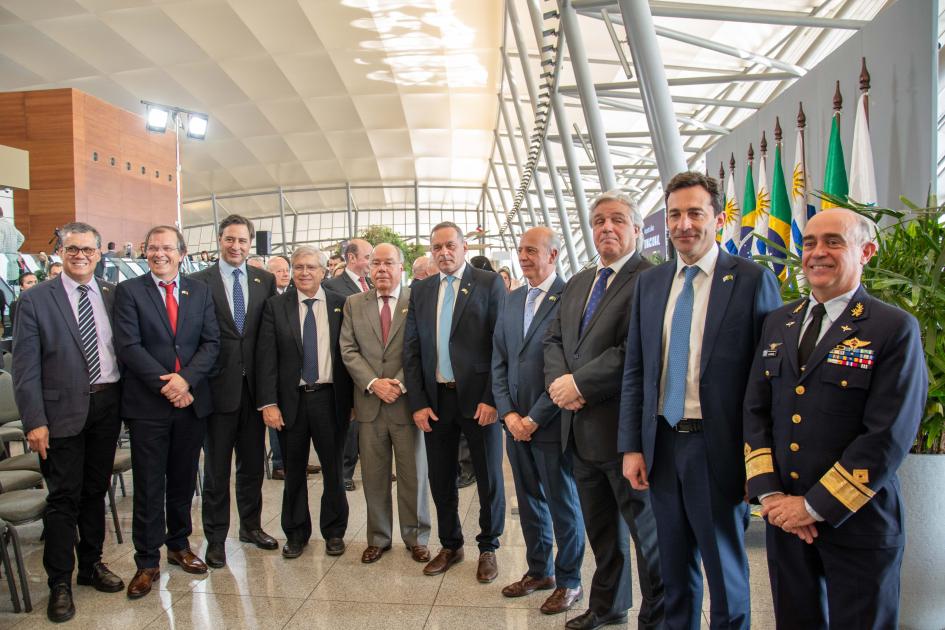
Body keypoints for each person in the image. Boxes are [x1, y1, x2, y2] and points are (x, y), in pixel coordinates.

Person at [744, 208, 927, 628]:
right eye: (809, 243)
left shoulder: (892, 327)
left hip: (857, 519)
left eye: (833, 242)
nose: (816, 253)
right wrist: (772, 497)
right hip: (785, 520)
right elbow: (755, 412)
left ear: (866, 251)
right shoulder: (778, 323)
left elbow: (888, 435)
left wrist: (813, 506)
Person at [619, 172, 781, 629]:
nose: (684, 224)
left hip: (719, 449)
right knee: (673, 571)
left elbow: (767, 380)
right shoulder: (651, 285)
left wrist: (759, 462)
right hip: (663, 446)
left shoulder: (750, 280)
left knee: (725, 572)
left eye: (695, 213)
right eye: (675, 214)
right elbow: (637, 370)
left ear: (716, 217)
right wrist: (633, 446)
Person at [544, 190, 663, 630]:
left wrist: (579, 384)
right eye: (598, 221)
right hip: (579, 433)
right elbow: (553, 340)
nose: (606, 228)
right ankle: (609, 605)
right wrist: (561, 387)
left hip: (624, 434)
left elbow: (634, 350)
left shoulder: (650, 279)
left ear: (635, 228)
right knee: (602, 532)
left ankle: (657, 617)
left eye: (617, 219)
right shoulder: (579, 282)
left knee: (647, 537)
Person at [12, 222, 124, 622]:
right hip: (58, 415)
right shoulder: (36, 300)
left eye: (87, 250)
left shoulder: (112, 295)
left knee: (96, 490)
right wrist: (34, 422)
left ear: (99, 254)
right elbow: (25, 370)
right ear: (60, 251)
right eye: (72, 249)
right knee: (64, 499)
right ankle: (60, 580)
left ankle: (91, 565)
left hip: (107, 407)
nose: (80, 255)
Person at [114, 225, 220, 599]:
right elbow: (129, 346)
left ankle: (178, 545)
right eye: (153, 248)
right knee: (148, 485)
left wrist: (185, 381)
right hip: (148, 406)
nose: (160, 254)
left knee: (181, 480)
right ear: (146, 252)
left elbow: (211, 343)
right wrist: (168, 385)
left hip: (190, 404)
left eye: (167, 248)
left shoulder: (200, 291)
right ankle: (146, 561)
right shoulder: (129, 292)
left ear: (181, 252)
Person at [403, 221, 506, 583]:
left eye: (450, 246)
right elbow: (411, 349)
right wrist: (417, 402)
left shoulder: (489, 283)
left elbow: (500, 344)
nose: (444, 253)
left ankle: (488, 546)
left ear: (463, 247)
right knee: (441, 477)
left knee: (489, 477)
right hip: (436, 400)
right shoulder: (422, 289)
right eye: (437, 247)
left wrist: (493, 397)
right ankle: (451, 544)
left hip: (479, 401)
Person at [492, 226, 585, 615]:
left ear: (554, 255)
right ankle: (538, 571)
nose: (524, 256)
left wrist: (533, 417)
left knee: (563, 504)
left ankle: (570, 582)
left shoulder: (570, 299)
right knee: (528, 501)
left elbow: (568, 367)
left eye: (532, 250)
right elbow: (499, 360)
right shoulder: (512, 299)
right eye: (520, 250)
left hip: (552, 422)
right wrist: (509, 414)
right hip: (515, 424)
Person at [189, 215, 278, 569]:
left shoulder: (265, 280)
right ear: (219, 240)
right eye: (230, 239)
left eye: (242, 240)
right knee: (215, 472)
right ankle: (215, 539)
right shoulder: (197, 282)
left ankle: (251, 527)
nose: (236, 246)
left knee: (253, 467)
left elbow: (268, 339)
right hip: (215, 391)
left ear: (250, 242)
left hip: (255, 392)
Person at [256, 246, 353, 559]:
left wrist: (352, 401)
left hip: (331, 400)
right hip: (291, 402)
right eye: (298, 267)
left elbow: (349, 356)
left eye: (311, 267)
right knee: (294, 471)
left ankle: (334, 532)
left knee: (334, 470)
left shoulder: (341, 305)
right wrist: (268, 403)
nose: (304, 272)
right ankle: (296, 533)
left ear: (323, 272)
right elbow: (266, 359)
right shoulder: (275, 307)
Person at [340, 243, 432, 564]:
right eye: (375, 263)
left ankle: (416, 537)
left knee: (413, 475)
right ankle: (378, 538)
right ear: (369, 268)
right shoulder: (354, 303)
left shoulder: (416, 300)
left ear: (401, 267)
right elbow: (348, 349)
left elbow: (423, 347)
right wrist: (373, 383)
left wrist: (400, 382)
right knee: (375, 476)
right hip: (369, 404)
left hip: (407, 404)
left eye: (388, 263)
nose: (381, 269)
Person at [324, 238, 374, 492]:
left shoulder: (373, 284)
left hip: (374, 368)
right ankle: (344, 472)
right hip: (346, 366)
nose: (372, 262)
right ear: (352, 258)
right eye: (368, 256)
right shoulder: (332, 287)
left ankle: (374, 468)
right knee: (349, 424)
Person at [266, 254, 291, 479]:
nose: (285, 274)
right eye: (279, 271)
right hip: (278, 380)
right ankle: (280, 463)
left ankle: (289, 461)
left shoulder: (290, 297)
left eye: (286, 270)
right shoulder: (269, 302)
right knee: (278, 423)